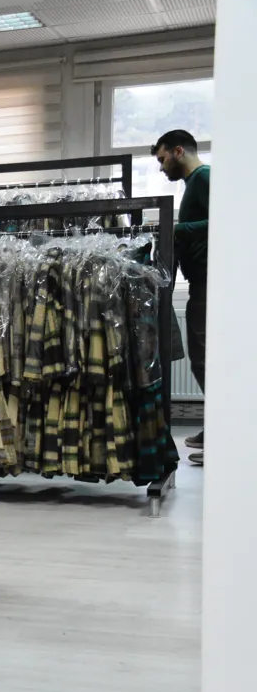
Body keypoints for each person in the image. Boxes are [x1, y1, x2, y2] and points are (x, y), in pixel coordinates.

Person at [152, 129, 209, 465]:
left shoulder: (204, 177)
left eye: (162, 159)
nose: (161, 168)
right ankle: (216, 427)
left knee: (202, 357)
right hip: (202, 281)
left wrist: (178, 230)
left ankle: (222, 433)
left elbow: (226, 219)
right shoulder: (194, 184)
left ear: (177, 151)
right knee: (201, 355)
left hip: (208, 282)